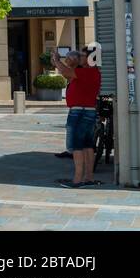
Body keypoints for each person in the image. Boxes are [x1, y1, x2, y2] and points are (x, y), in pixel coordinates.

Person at [53, 46, 102, 188]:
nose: (79, 57)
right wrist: (62, 63)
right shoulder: (92, 72)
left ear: (90, 59)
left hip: (79, 112)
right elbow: (68, 74)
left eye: (82, 55)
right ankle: (88, 178)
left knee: (77, 146)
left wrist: (57, 60)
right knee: (87, 145)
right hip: (88, 111)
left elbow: (65, 71)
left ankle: (77, 180)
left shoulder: (86, 71)